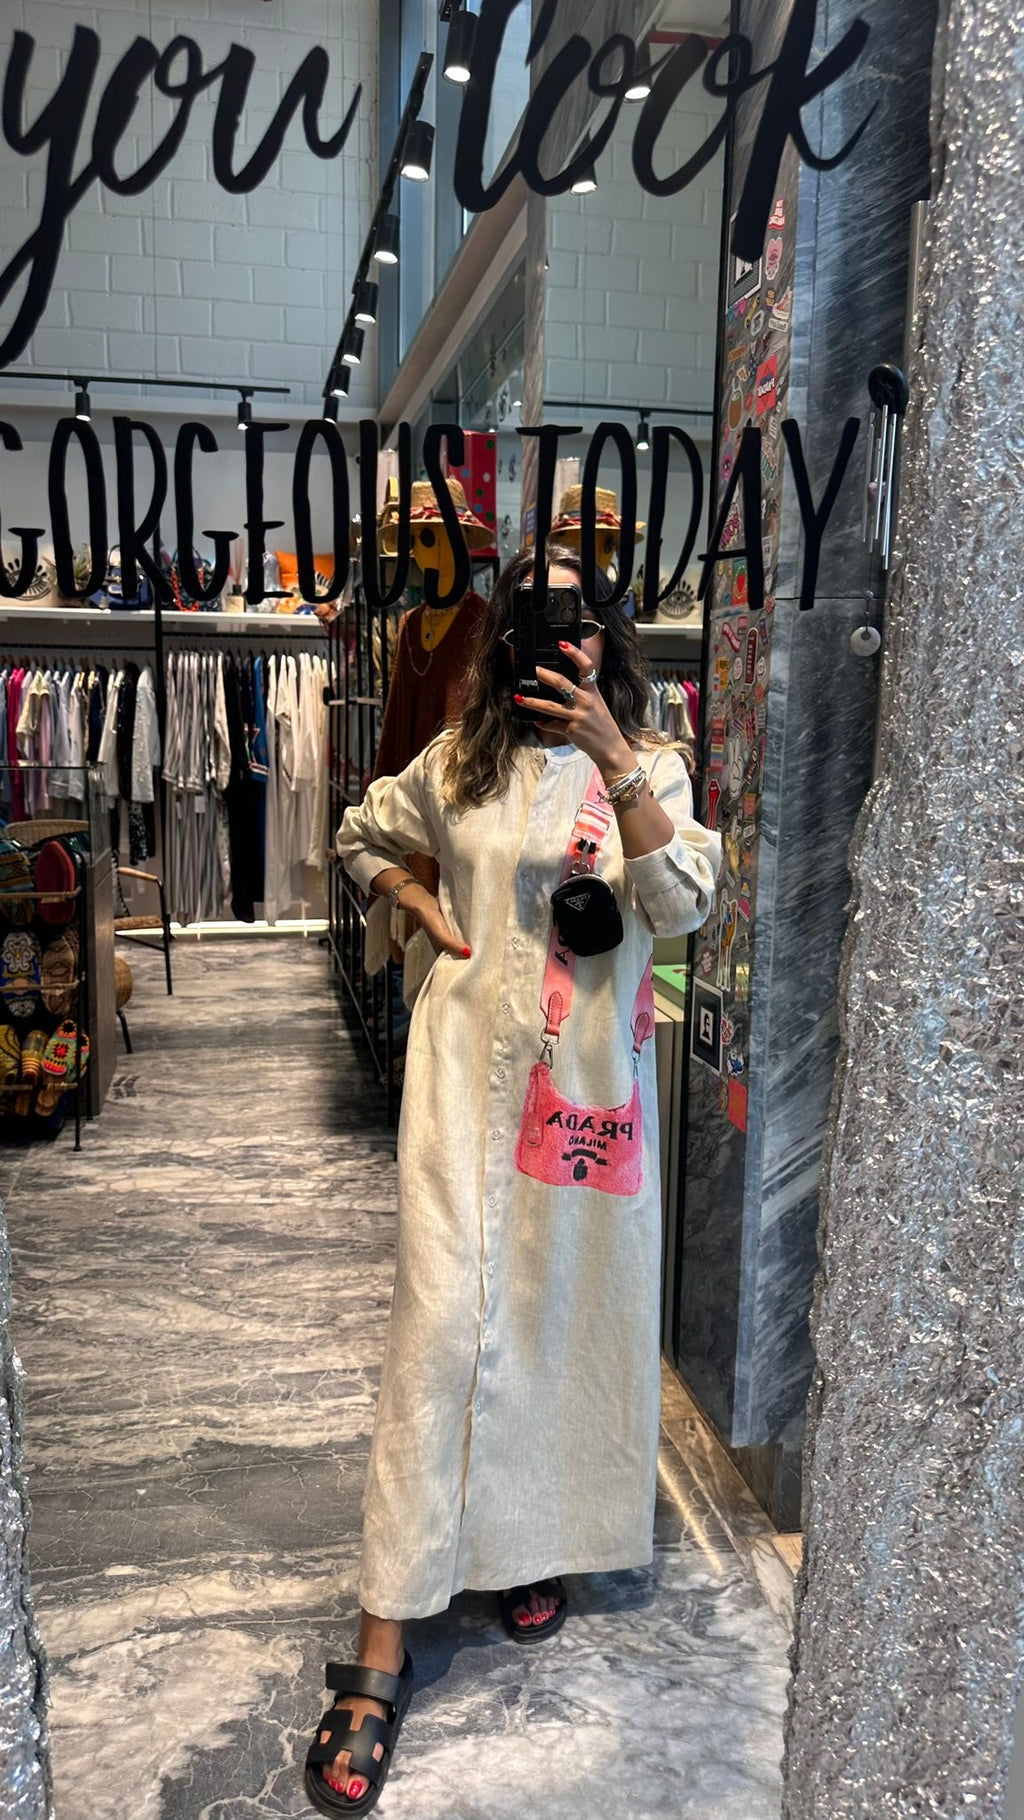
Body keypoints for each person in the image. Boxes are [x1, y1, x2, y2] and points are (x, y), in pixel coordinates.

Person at [304, 545, 721, 1816]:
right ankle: (381, 1640)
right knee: (439, 1333)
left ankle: (524, 1540)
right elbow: (359, 828)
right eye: (536, 617)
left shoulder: (652, 762)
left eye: (578, 617)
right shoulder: (456, 762)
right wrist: (411, 896)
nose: (560, 640)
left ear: (606, 636)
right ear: (508, 640)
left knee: (551, 1321)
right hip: (455, 1089)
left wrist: (613, 754)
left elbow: (683, 901)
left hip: (583, 1096)